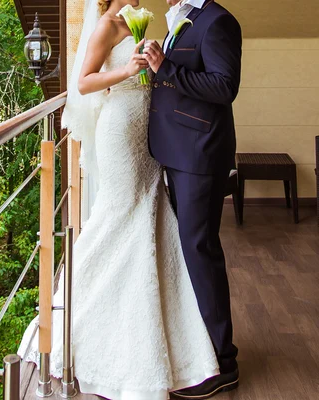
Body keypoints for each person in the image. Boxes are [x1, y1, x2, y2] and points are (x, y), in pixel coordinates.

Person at [18, 0, 220, 398]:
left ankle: (149, 327)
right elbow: (84, 82)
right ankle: (71, 322)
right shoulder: (108, 26)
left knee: (148, 217)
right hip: (119, 131)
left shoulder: (138, 20)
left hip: (147, 132)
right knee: (117, 216)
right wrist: (128, 69)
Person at [144, 0, 241, 397]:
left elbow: (224, 86)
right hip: (179, 151)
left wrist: (165, 68)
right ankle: (200, 351)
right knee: (190, 251)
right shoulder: (184, 18)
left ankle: (224, 361)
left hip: (200, 155)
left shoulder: (218, 21)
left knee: (200, 250)